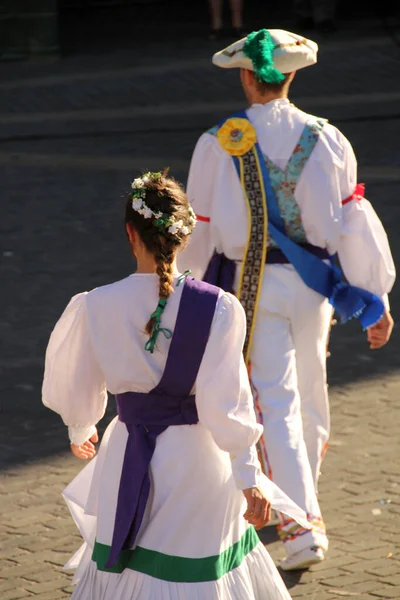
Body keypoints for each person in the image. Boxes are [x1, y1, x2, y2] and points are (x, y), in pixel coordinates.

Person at [178, 29, 396, 570]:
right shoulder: (328, 138)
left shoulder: (216, 142)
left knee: (273, 401)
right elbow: (352, 223)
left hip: (248, 290)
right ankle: (298, 508)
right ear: (292, 75)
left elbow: (198, 230)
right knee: (309, 397)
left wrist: (179, 292)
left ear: (246, 78)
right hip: (316, 288)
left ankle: (300, 525)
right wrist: (376, 296)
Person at [42, 170, 311, 599]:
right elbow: (229, 405)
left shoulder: (95, 305)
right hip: (199, 466)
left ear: (131, 233)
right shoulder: (220, 308)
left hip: (126, 457)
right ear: (185, 235)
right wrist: (248, 477)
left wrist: (81, 426)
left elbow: (76, 382)